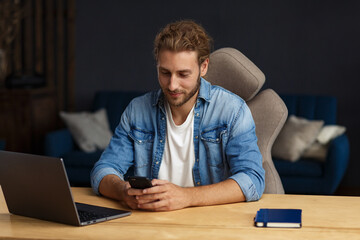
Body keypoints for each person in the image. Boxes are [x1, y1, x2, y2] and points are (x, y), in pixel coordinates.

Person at [91, 20, 265, 211]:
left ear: (204, 67)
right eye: (165, 73)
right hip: (151, 221)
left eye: (183, 74)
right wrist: (123, 191)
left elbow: (252, 179)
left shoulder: (233, 110)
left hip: (209, 222)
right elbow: (102, 170)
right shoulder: (137, 110)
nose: (172, 85)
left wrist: (186, 196)